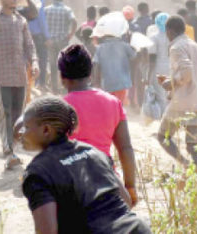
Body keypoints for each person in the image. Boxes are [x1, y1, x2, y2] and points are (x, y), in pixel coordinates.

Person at [16, 97, 149, 233]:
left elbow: (48, 231)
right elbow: (126, 200)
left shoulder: (38, 172)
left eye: (26, 127)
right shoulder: (93, 151)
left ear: (46, 130)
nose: (21, 133)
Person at [58, 45, 138, 202]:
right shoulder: (113, 102)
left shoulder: (59, 108)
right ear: (91, 72)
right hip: (108, 183)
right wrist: (130, 187)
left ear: (62, 77)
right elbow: (125, 148)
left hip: (72, 186)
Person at [0, 0, 38, 169]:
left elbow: (29, 45)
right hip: (2, 76)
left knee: (18, 114)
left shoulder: (20, 20)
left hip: (20, 75)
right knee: (4, 112)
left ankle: (12, 147)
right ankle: (8, 151)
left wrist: (34, 63)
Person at [156, 15, 197, 171]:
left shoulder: (176, 47)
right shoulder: (196, 46)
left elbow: (186, 72)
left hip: (183, 102)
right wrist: (173, 80)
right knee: (194, 145)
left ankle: (185, 164)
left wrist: (171, 83)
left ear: (169, 31)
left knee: (163, 137)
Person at [44, 0, 77, 93]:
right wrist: (70, 35)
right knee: (64, 65)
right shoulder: (67, 10)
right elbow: (74, 21)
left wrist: (46, 38)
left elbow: (42, 24)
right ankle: (64, 87)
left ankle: (54, 89)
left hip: (50, 41)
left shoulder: (46, 10)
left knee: (53, 65)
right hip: (63, 41)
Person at [92, 31, 137, 105]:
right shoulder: (124, 45)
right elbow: (134, 56)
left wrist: (96, 81)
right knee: (120, 105)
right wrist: (130, 42)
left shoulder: (100, 48)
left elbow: (96, 65)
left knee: (109, 105)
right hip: (122, 82)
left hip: (107, 83)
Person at [28, 0, 50, 91]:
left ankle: (30, 82)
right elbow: (42, 20)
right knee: (42, 58)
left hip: (27, 34)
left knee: (29, 58)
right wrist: (47, 37)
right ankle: (40, 83)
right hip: (38, 35)